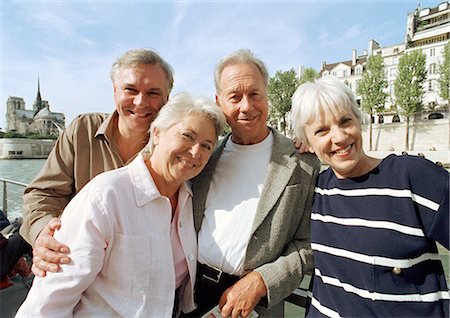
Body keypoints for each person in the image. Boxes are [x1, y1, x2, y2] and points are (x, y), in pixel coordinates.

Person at [16, 92, 226, 317]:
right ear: (156, 134)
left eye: (206, 145)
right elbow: (49, 301)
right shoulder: (105, 197)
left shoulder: (190, 198)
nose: (195, 152)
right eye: (187, 136)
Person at [291, 76, 449, 317]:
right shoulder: (316, 189)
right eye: (322, 130)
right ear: (306, 143)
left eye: (345, 121)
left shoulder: (412, 177)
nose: (340, 137)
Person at [189, 49, 320, 318]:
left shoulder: (304, 162)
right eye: (235, 97)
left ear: (267, 96)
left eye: (254, 94)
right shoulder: (201, 158)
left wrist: (262, 281)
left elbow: (310, 243)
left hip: (258, 303)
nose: (246, 106)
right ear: (219, 102)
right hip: (192, 294)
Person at [19, 48, 174, 277]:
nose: (141, 102)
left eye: (153, 93)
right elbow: (42, 193)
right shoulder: (82, 129)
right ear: (114, 92)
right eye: (130, 90)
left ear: (167, 100)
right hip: (74, 264)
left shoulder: (174, 148)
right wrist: (43, 233)